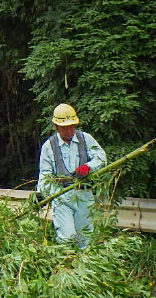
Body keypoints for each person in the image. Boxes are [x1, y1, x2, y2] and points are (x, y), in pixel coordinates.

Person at [37, 103, 106, 249]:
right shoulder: (49, 146)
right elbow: (44, 177)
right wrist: (50, 194)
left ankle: (85, 267)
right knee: (66, 239)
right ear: (56, 127)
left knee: (85, 239)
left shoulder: (85, 139)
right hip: (61, 197)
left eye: (71, 126)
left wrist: (89, 166)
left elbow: (101, 158)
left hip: (84, 195)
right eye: (64, 127)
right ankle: (66, 267)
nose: (69, 130)